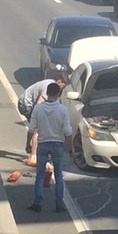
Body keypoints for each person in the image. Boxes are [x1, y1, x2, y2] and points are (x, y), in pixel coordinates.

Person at [28, 82, 73, 213]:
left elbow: (31, 129)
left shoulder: (38, 109)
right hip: (58, 144)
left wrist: (28, 144)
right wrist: (71, 147)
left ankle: (38, 202)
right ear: (58, 94)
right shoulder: (63, 110)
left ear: (47, 93)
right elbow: (68, 131)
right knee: (59, 175)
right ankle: (59, 204)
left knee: (40, 175)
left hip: (42, 144)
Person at [17, 75, 67, 154]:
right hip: (25, 104)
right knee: (38, 129)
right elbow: (39, 103)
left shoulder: (51, 84)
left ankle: (30, 147)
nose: (62, 88)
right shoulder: (48, 86)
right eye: (63, 86)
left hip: (26, 102)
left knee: (37, 127)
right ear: (59, 81)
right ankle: (34, 155)